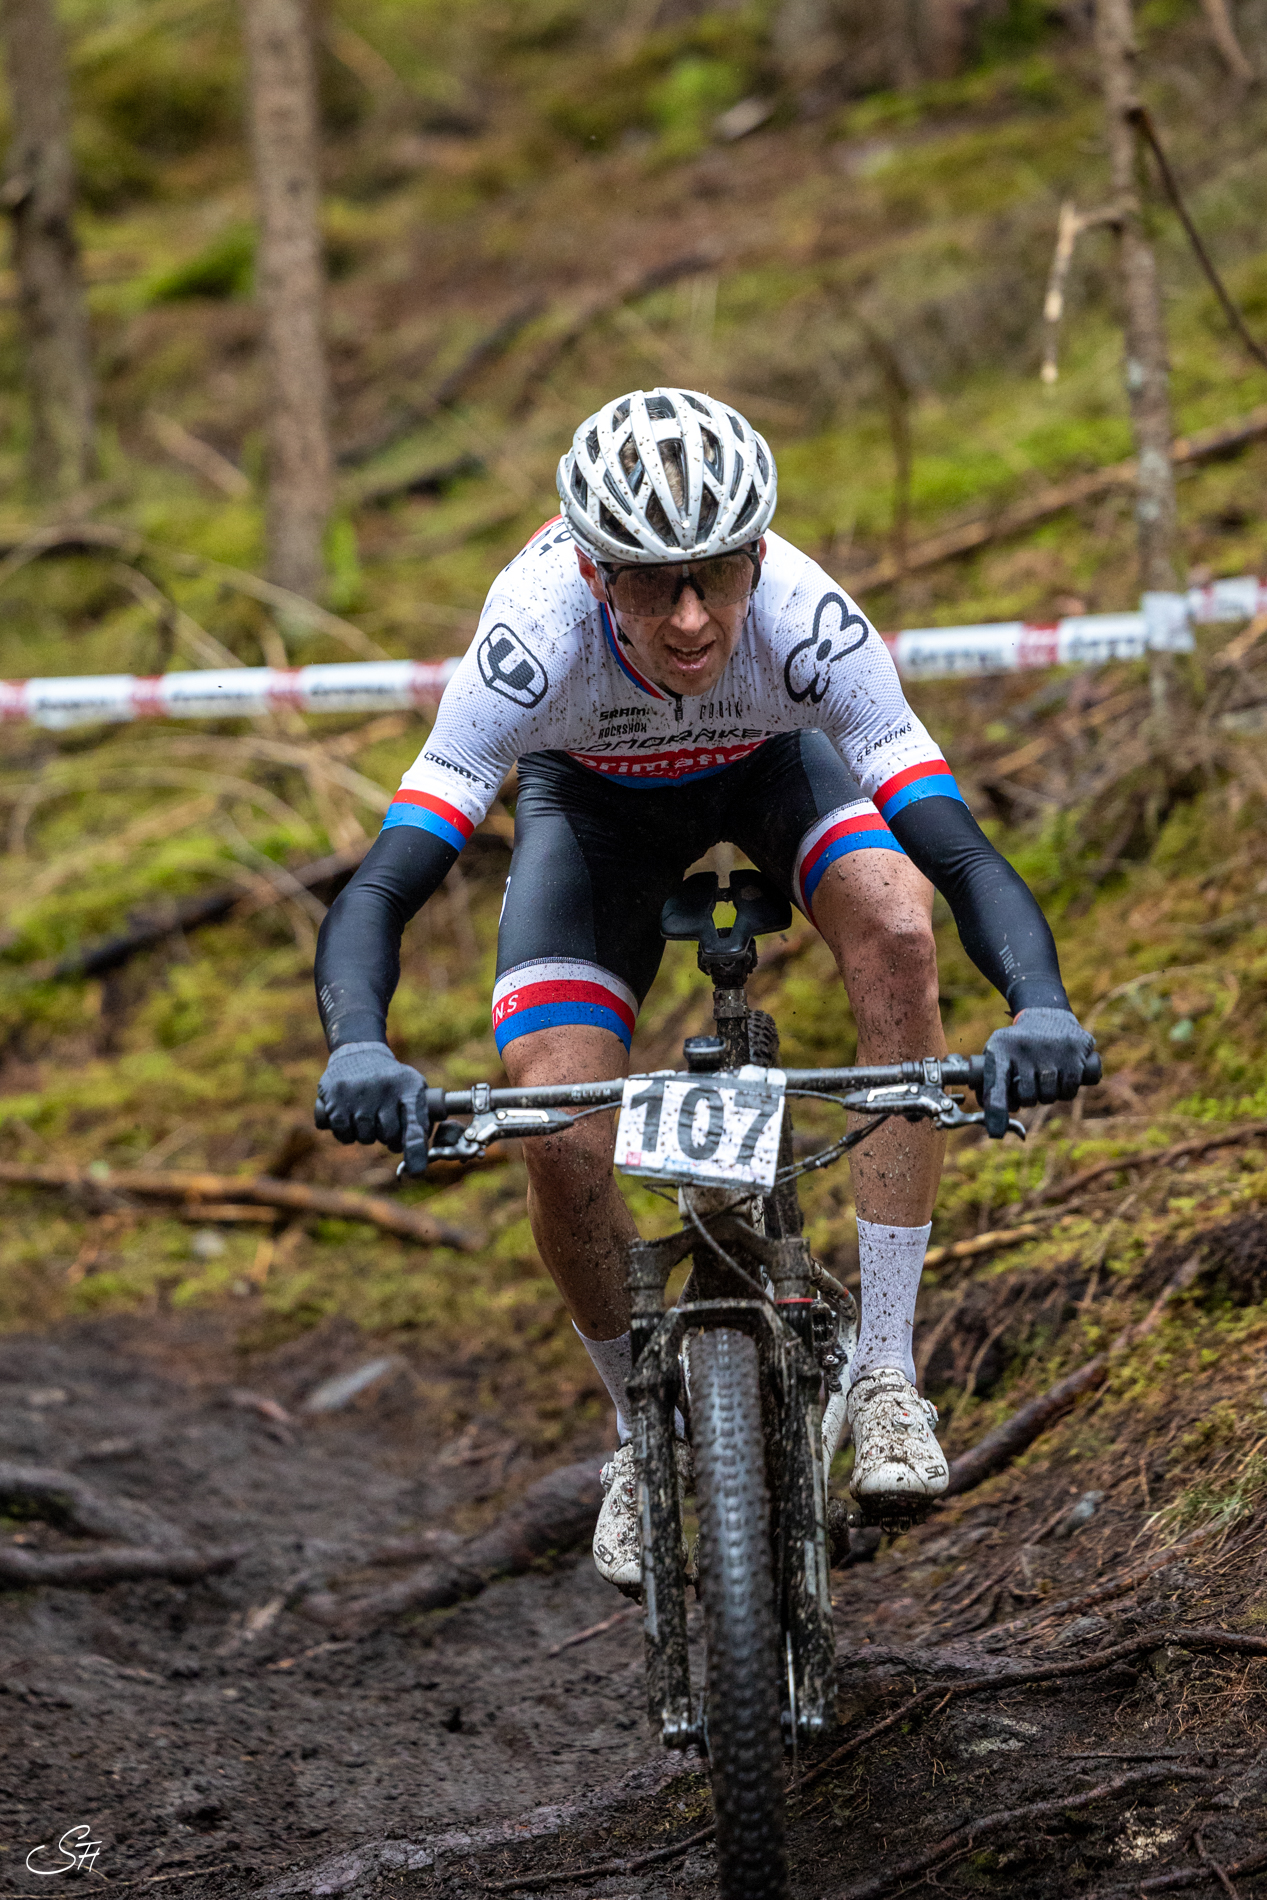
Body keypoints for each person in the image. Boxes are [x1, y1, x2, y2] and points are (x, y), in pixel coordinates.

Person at [312, 386, 1095, 1595]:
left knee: (896, 924)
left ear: (756, 558)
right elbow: (386, 881)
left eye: (716, 576)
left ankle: (885, 1372)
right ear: (592, 571)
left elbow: (957, 849)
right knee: (557, 1125)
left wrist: (1038, 1002)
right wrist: (358, 1043)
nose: (689, 618)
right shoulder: (529, 640)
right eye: (647, 584)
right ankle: (639, 1432)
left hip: (772, 773)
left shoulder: (806, 620)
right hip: (593, 813)